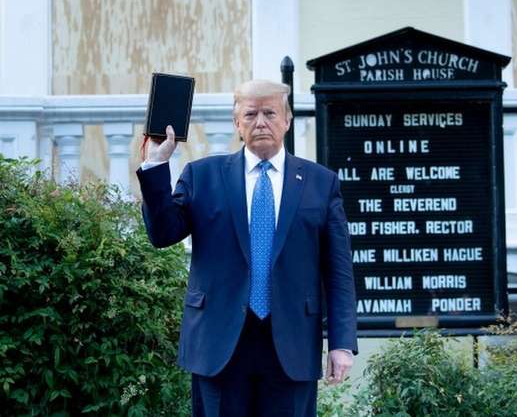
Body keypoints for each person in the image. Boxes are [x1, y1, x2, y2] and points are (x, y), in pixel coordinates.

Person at [136, 79, 357, 416]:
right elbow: (164, 233)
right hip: (218, 344)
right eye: (251, 114)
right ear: (237, 123)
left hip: (292, 345)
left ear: (287, 119)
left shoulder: (320, 182)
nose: (261, 122)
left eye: (270, 113)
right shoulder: (203, 176)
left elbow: (338, 270)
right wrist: (156, 166)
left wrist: (341, 343)